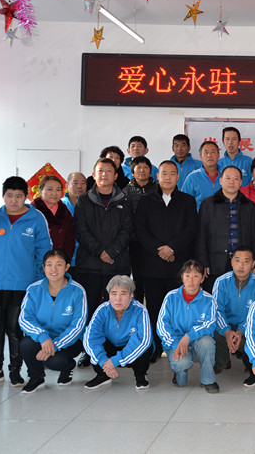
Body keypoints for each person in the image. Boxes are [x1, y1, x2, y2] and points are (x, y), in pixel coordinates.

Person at [0, 176, 52, 388]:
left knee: (15, 330)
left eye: (18, 196)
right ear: (3, 196)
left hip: (22, 285)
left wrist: (39, 281)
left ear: (26, 197)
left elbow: (44, 251)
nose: (13, 200)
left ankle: (15, 371)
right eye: (9, 195)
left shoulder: (36, 218)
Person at [134, 160, 198, 359]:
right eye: (164, 173)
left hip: (178, 265)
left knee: (177, 310)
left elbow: (191, 229)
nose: (168, 177)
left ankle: (175, 347)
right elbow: (140, 229)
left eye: (172, 173)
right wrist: (158, 249)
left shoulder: (188, 200)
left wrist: (172, 248)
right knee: (153, 308)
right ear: (158, 176)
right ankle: (154, 347)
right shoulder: (145, 201)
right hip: (152, 264)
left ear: (178, 177)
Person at [73, 158, 132, 367]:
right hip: (89, 265)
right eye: (100, 171)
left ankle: (112, 351)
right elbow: (81, 230)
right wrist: (100, 252)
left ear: (116, 176)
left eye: (108, 171)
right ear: (94, 174)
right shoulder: (83, 201)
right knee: (90, 310)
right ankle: (89, 350)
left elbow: (128, 230)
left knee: (116, 309)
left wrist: (112, 251)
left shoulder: (124, 200)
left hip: (117, 264)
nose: (104, 174)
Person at [18, 250, 87, 394]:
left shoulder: (77, 291)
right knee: (26, 344)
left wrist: (54, 345)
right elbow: (24, 318)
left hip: (70, 341)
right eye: (49, 265)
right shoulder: (33, 289)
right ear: (43, 267)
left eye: (59, 265)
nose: (53, 269)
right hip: (42, 338)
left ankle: (68, 367)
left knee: (54, 361)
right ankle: (36, 377)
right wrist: (43, 337)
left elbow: (78, 326)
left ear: (67, 267)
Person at [156, 259, 219, 392]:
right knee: (182, 365)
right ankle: (179, 372)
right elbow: (162, 325)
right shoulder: (171, 297)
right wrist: (177, 344)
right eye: (187, 275)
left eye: (196, 276)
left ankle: (208, 380)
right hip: (175, 343)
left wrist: (189, 337)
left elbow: (210, 325)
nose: (191, 280)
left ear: (202, 278)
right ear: (182, 277)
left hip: (197, 344)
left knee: (207, 342)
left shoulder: (209, 299)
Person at [83, 275, 153, 390]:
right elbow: (90, 338)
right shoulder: (102, 309)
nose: (118, 299)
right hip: (111, 348)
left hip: (128, 348)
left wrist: (115, 361)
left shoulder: (140, 310)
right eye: (113, 293)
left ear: (131, 295)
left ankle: (140, 376)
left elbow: (143, 340)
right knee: (95, 344)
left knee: (143, 348)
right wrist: (104, 362)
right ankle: (103, 375)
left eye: (123, 294)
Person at [197, 166, 255, 293]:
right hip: (214, 263)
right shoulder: (208, 204)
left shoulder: (249, 206)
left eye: (236, 178)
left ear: (241, 182)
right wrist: (203, 262)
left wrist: (254, 262)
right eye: (228, 178)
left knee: (240, 299)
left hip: (242, 264)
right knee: (215, 299)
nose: (232, 182)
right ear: (220, 181)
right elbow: (201, 235)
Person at [212, 247, 255, 373]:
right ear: (231, 262)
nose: (241, 265)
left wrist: (241, 331)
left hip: (248, 326)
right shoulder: (221, 282)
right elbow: (217, 310)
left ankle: (249, 361)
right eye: (237, 260)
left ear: (253, 264)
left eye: (246, 261)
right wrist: (226, 331)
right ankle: (222, 361)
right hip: (226, 324)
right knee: (214, 329)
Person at [124, 155, 158, 303]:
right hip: (134, 241)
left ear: (151, 170)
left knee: (153, 276)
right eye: (139, 168)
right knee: (137, 275)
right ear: (132, 172)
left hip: (155, 241)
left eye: (145, 167)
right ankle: (138, 304)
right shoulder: (126, 192)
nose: (142, 170)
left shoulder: (157, 189)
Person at [31, 175, 75, 262]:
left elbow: (70, 240)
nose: (54, 193)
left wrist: (65, 260)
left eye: (58, 190)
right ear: (40, 191)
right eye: (50, 189)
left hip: (59, 260)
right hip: (37, 261)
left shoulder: (65, 211)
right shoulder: (32, 211)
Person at [182, 140, 221, 209]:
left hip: (223, 215)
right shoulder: (192, 177)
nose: (209, 155)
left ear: (218, 155)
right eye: (206, 152)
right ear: (201, 157)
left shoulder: (226, 176)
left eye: (213, 152)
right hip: (199, 215)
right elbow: (184, 202)